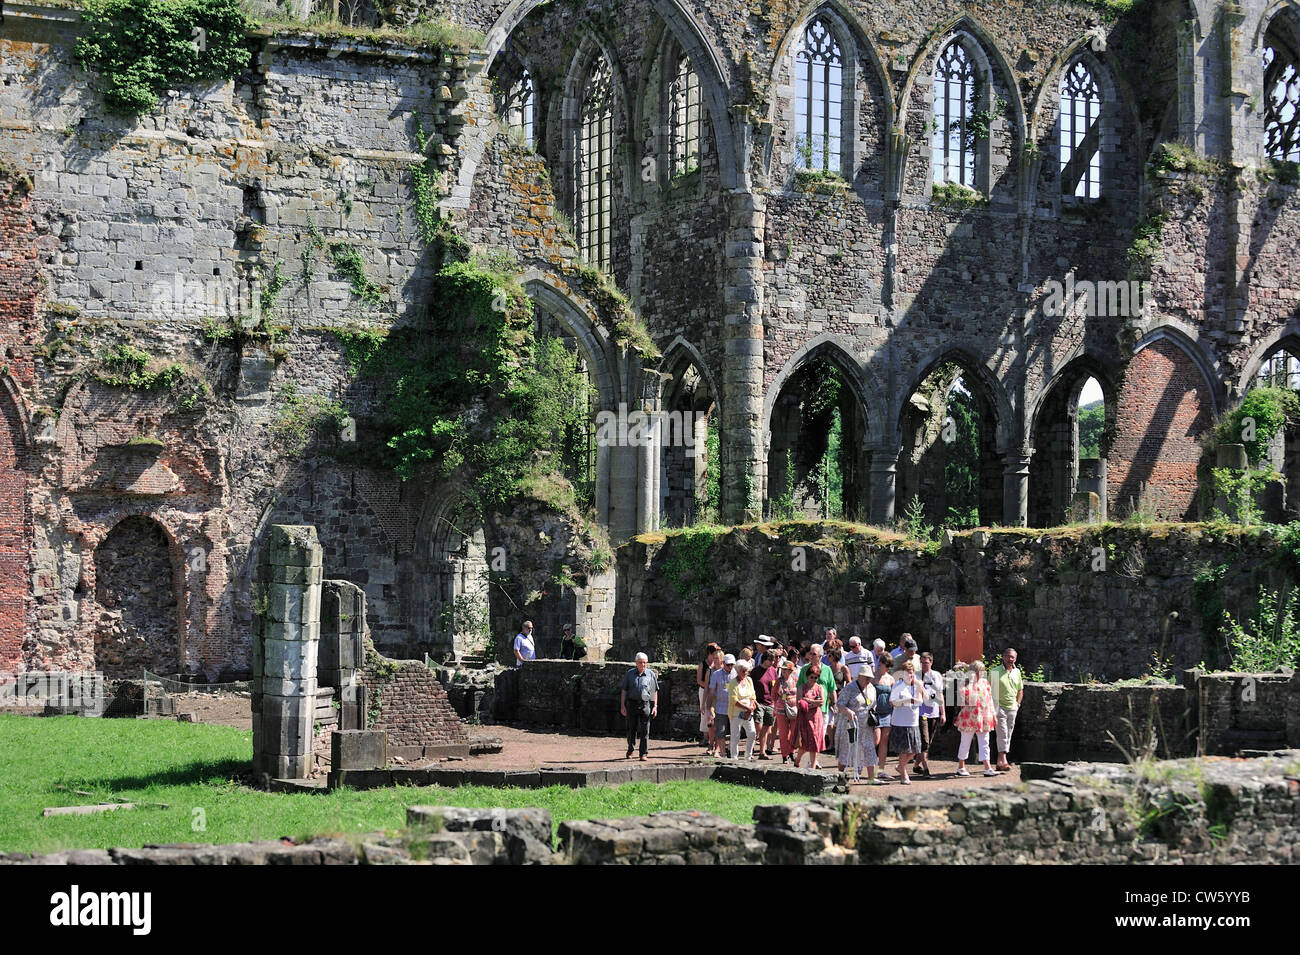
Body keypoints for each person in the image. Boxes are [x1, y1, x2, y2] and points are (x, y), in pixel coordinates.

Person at [955, 660, 999, 777]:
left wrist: (993, 714)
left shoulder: (985, 683)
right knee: (965, 742)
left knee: (985, 742)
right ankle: (961, 766)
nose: (982, 674)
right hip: (968, 717)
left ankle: (987, 767)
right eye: (979, 671)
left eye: (983, 671)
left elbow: (990, 700)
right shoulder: (964, 683)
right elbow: (964, 699)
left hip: (984, 716)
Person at [835, 665, 878, 783]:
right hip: (850, 725)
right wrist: (848, 711)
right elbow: (840, 704)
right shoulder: (849, 688)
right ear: (859, 676)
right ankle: (840, 777)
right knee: (847, 750)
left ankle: (871, 778)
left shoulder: (871, 688)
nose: (869, 680)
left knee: (869, 749)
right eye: (866, 677)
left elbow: (874, 704)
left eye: (870, 678)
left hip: (866, 725)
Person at [889, 660, 925, 784]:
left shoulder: (917, 685)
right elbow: (892, 702)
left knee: (915, 750)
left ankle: (900, 767)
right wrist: (906, 701)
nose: (910, 676)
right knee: (904, 750)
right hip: (900, 722)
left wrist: (921, 689)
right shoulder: (898, 685)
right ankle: (903, 774)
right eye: (907, 673)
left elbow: (924, 700)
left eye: (911, 673)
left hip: (913, 722)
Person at [619, 653, 659, 761]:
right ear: (636, 663)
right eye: (641, 662)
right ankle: (631, 749)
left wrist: (655, 706)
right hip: (632, 704)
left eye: (645, 662)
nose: (643, 664)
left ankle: (643, 753)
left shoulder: (650, 674)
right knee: (631, 728)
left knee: (645, 730)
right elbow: (624, 690)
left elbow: (654, 691)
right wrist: (622, 705)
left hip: (645, 704)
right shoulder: (630, 674)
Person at [990, 647, 1024, 772]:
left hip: (1013, 707)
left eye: (1013, 657)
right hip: (999, 707)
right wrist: (993, 708)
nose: (1010, 659)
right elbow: (989, 690)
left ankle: (1001, 761)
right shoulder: (995, 672)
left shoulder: (1017, 672)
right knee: (1003, 733)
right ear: (1003, 657)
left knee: (1008, 733)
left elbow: (1020, 690)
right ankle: (1002, 760)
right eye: (1008, 656)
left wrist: (1017, 704)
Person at [916, 651, 946, 777]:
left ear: (931, 662)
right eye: (922, 663)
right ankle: (926, 769)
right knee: (925, 741)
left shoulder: (937, 676)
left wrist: (942, 713)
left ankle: (916, 765)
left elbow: (940, 695)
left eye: (926, 663)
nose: (924, 665)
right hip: (921, 712)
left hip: (934, 712)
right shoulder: (917, 676)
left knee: (928, 743)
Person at [794, 658, 827, 769]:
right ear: (807, 676)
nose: (813, 679)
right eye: (811, 677)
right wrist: (814, 703)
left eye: (816, 677)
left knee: (814, 741)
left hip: (816, 718)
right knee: (804, 742)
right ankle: (798, 759)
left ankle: (812, 768)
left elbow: (822, 702)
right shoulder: (801, 687)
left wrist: (809, 701)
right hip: (804, 717)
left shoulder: (820, 687)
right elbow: (798, 703)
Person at [728, 659, 759, 760]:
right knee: (735, 737)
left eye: (747, 671)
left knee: (752, 734)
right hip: (736, 714)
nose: (745, 673)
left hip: (749, 712)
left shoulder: (749, 680)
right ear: (737, 671)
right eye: (743, 671)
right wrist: (747, 708)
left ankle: (748, 756)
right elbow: (734, 700)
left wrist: (750, 709)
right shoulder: (733, 683)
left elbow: (753, 696)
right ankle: (734, 757)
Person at [708, 654, 736, 757]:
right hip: (721, 707)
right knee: (721, 732)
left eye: (732, 665)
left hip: (734, 708)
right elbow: (711, 692)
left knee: (734, 732)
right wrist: (709, 708)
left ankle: (732, 752)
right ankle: (723, 753)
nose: (730, 667)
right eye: (728, 665)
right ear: (723, 663)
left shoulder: (736, 673)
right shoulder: (716, 674)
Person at [752, 648, 778, 759]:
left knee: (767, 728)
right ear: (764, 659)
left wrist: (776, 703)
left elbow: (776, 687)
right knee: (758, 726)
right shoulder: (755, 671)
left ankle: (762, 752)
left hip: (770, 702)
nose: (772, 662)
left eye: (773, 660)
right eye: (770, 660)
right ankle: (751, 747)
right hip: (758, 702)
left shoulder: (773, 671)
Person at [872, 655, 895, 778]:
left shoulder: (891, 678)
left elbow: (894, 695)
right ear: (881, 663)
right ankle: (863, 764)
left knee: (884, 742)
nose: (887, 668)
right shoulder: (873, 677)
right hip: (876, 713)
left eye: (888, 666)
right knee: (875, 740)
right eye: (886, 665)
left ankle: (880, 770)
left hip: (887, 712)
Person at [697, 643, 722, 752]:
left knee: (719, 723)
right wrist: (704, 703)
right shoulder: (706, 667)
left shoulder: (725, 671)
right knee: (709, 721)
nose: (715, 659)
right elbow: (703, 684)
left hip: (720, 699)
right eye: (714, 656)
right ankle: (708, 740)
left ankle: (716, 746)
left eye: (718, 658)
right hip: (709, 696)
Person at [774, 659, 800, 763]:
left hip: (794, 710)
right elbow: (774, 695)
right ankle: (784, 755)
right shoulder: (778, 681)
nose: (784, 672)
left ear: (791, 671)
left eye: (787, 670)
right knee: (783, 733)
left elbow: (800, 693)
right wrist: (775, 707)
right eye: (783, 670)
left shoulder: (795, 680)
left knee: (794, 732)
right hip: (781, 710)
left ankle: (792, 752)